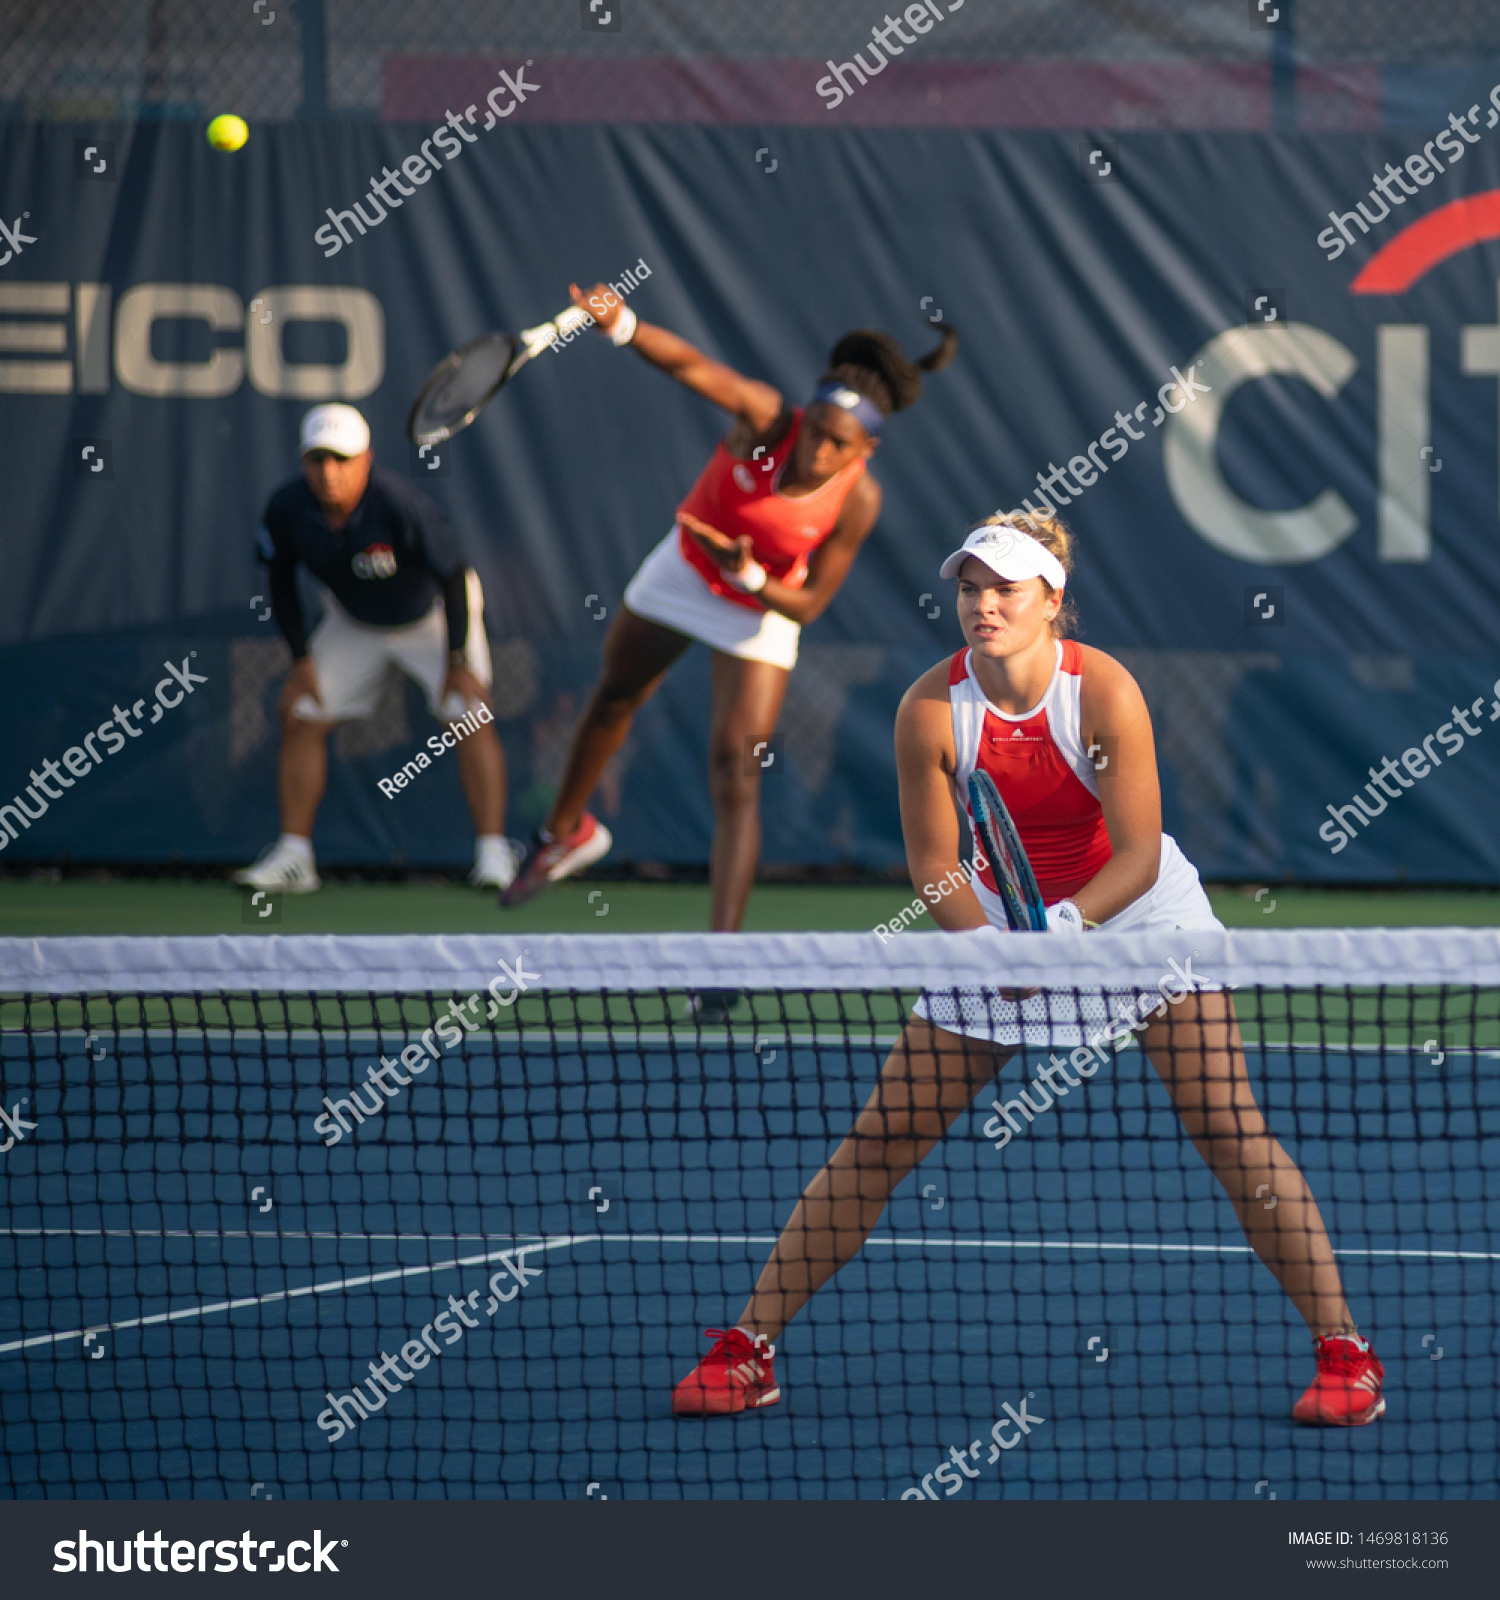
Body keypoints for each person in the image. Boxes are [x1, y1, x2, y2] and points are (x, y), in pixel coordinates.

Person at [670, 511, 1385, 1428]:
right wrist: (992, 950)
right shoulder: (929, 708)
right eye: (970, 587)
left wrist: (1054, 935)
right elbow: (934, 868)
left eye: (1005, 588)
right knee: (882, 1141)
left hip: (1139, 918)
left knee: (1228, 1132)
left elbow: (1135, 854)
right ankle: (750, 1351)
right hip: (1004, 923)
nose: (983, 604)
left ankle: (1345, 1354)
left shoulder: (1103, 693)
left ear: (1053, 601)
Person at [499, 284, 957, 992]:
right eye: (816, 433)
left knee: (736, 773)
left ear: (865, 448)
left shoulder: (859, 499)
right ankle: (565, 836)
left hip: (759, 605)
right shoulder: (769, 417)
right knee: (614, 697)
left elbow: (805, 605)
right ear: (803, 419)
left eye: (841, 444)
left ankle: (722, 960)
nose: (820, 451)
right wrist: (622, 324)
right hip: (684, 570)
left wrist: (750, 579)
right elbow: (689, 366)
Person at [234, 403, 517, 892]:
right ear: (303, 463)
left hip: (432, 615)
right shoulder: (288, 509)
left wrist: (457, 662)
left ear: (365, 460)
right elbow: (279, 580)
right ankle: (295, 858)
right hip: (355, 621)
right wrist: (301, 662)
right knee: (302, 712)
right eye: (318, 460)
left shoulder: (399, 503)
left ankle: (494, 855)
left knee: (469, 714)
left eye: (341, 460)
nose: (329, 474)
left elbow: (451, 576)